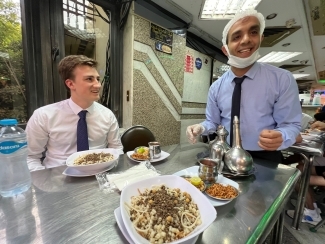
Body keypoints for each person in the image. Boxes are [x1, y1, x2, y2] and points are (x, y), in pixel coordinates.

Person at [186, 10, 301, 164]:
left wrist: (282, 135)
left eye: (253, 32)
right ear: (225, 49)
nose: (246, 39)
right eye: (237, 36)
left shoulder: (281, 79)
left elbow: (291, 125)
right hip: (225, 154)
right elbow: (212, 122)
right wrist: (200, 127)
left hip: (264, 156)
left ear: (261, 38)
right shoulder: (216, 87)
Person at [26, 55, 123, 171]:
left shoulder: (107, 115)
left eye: (97, 78)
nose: (98, 85)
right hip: (58, 179)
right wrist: (46, 182)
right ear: (70, 84)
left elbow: (116, 149)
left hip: (100, 176)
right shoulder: (44, 116)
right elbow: (30, 157)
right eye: (89, 79)